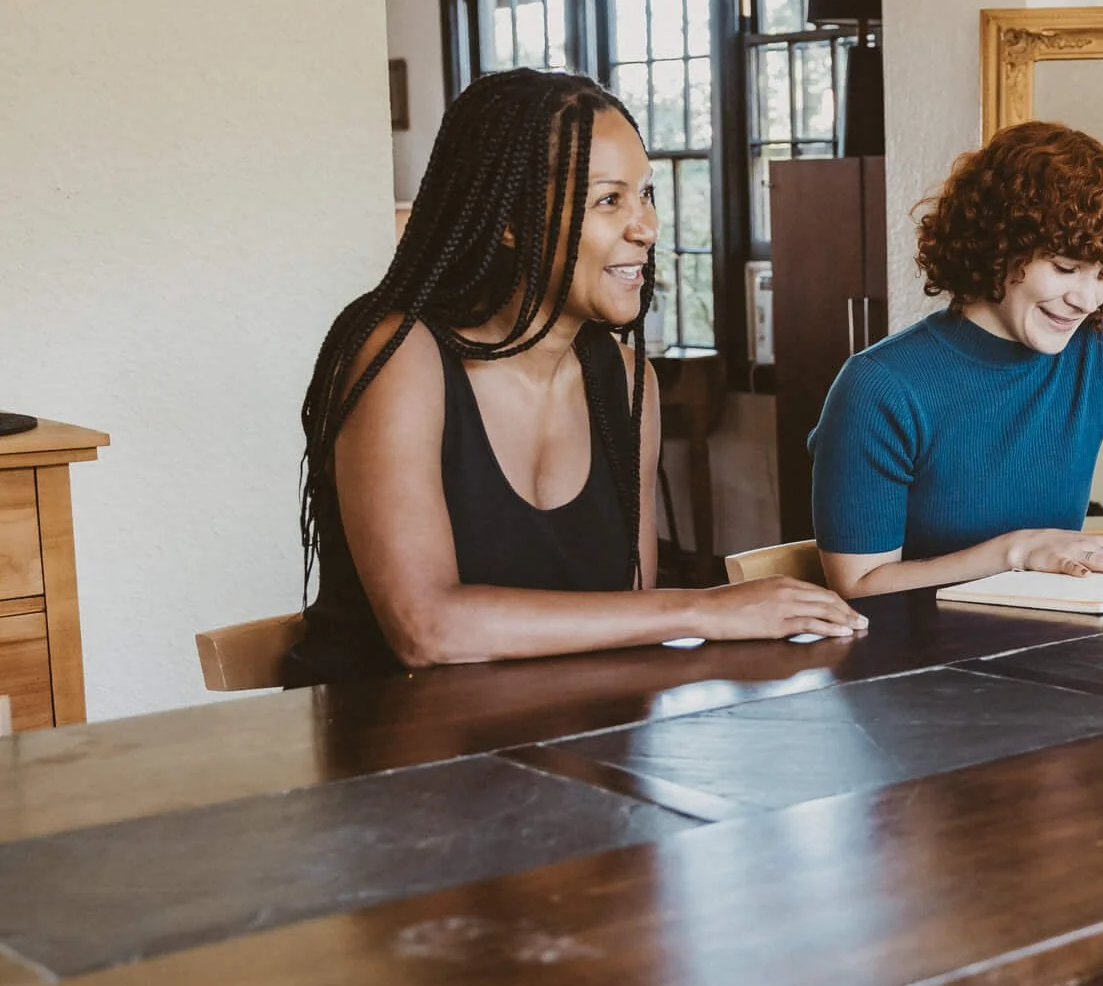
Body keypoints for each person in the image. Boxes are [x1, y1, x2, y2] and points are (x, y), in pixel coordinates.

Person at [289, 69, 865, 686]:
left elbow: (631, 618)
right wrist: (704, 606)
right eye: (608, 200)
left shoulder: (622, 380)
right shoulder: (401, 356)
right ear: (510, 220)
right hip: (387, 762)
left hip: (563, 743)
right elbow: (426, 629)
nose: (645, 228)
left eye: (646, 194)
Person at [809, 121, 1103, 597]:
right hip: (924, 658)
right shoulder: (879, 387)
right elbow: (859, 585)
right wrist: (1018, 552)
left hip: (1055, 647)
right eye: (1065, 268)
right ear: (996, 244)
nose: (1087, 299)